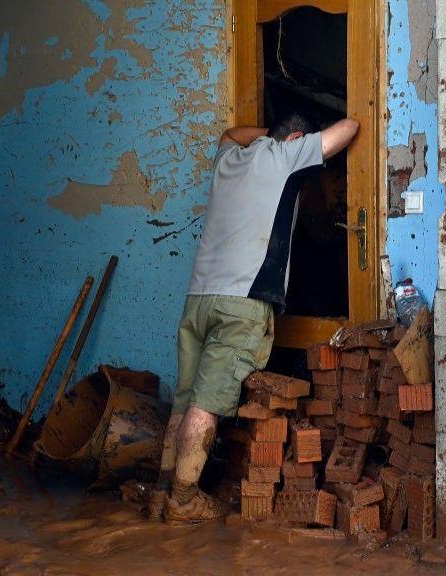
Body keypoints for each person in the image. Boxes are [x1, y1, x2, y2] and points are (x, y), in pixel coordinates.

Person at [148, 111, 360, 525]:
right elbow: (350, 128)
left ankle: (161, 492)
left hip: (199, 298)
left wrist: (271, 134)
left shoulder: (229, 159)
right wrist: (289, 142)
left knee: (186, 399)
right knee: (207, 406)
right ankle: (184, 499)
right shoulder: (283, 158)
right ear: (295, 139)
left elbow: (230, 133)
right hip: (241, 302)